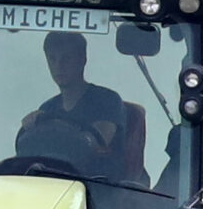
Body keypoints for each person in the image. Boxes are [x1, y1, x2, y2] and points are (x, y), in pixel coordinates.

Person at [15, 31, 135, 180]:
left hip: (99, 190)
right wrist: (29, 129)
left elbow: (95, 143)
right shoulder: (47, 109)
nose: (59, 66)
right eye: (52, 59)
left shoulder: (107, 100)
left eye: (66, 58)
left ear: (82, 59)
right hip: (52, 185)